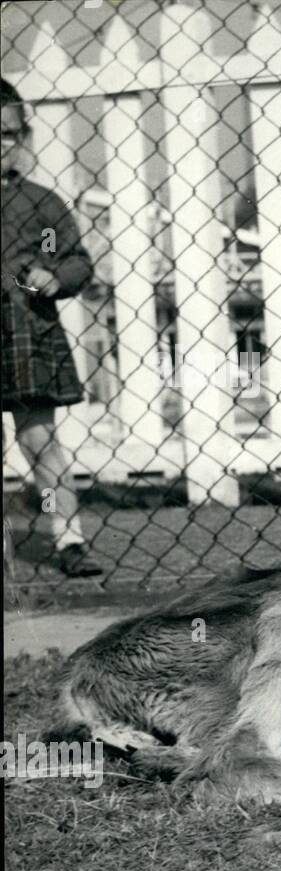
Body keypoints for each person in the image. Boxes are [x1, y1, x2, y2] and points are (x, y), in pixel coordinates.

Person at [1, 78, 101, 577]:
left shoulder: (40, 205)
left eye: (7, 134)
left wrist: (52, 275)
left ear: (23, 136)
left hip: (23, 331)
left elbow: (73, 260)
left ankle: (68, 537)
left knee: (39, 439)